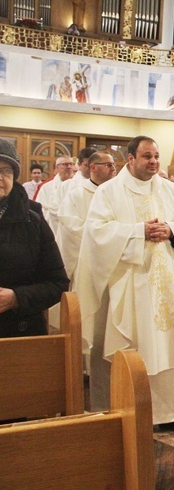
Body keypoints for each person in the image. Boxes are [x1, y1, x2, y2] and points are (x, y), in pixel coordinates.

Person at [75, 135, 174, 431]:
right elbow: (96, 232)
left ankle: (172, 410)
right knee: (139, 342)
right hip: (132, 279)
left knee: (171, 342)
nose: (153, 162)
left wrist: (172, 230)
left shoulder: (169, 190)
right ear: (130, 159)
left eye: (156, 156)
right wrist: (138, 231)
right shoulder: (110, 191)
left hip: (168, 280)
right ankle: (135, 407)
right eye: (146, 156)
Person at [57, 151, 116, 410]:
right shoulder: (77, 196)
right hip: (89, 270)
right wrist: (102, 240)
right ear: (93, 167)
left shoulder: (117, 193)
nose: (114, 169)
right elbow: (72, 230)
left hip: (116, 271)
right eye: (108, 164)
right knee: (95, 331)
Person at [0, 138, 69, 338]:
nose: (0, 177)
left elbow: (58, 283)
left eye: (6, 170)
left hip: (20, 333)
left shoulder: (33, 220)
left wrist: (16, 298)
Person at [34, 155, 75, 234]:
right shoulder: (46, 187)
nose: (69, 167)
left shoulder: (80, 185)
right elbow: (40, 210)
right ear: (57, 168)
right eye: (65, 164)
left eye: (71, 164)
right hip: (52, 229)